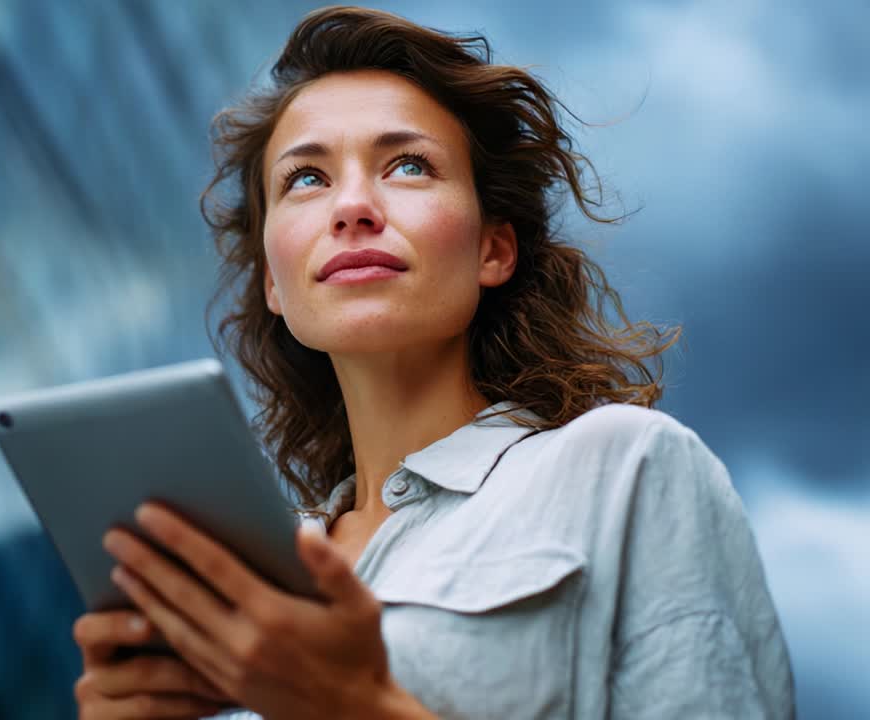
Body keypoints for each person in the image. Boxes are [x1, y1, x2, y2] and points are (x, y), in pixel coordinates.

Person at [71, 6, 795, 719]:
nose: (352, 206)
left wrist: (355, 706)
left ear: (493, 249)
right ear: (273, 282)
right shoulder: (245, 569)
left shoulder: (626, 469)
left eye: (408, 166)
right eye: (307, 179)